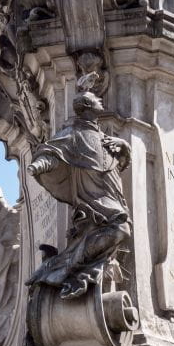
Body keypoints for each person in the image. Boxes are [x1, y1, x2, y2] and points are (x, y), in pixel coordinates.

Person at [27, 73, 132, 299]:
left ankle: (63, 266)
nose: (100, 101)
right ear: (86, 107)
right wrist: (38, 165)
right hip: (94, 201)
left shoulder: (102, 136)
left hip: (110, 196)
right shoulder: (74, 134)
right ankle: (66, 267)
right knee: (120, 230)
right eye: (94, 100)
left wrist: (124, 146)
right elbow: (52, 153)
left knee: (120, 229)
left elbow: (119, 164)